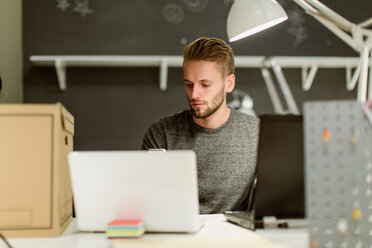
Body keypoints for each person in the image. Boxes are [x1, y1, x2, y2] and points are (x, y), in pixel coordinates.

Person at [141, 37, 259, 214]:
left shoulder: (256, 134)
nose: (194, 94)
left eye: (205, 85)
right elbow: (145, 200)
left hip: (233, 238)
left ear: (229, 84)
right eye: (188, 85)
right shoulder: (162, 133)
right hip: (176, 238)